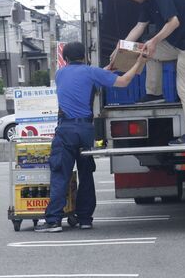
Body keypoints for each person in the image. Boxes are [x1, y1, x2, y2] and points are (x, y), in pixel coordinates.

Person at [34, 41, 147, 233]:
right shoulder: (92, 72)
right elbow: (123, 81)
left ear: (66, 59)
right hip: (86, 130)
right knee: (86, 174)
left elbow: (84, 77)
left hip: (66, 129)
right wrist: (139, 62)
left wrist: (106, 69)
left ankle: (53, 221)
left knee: (61, 174)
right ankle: (85, 218)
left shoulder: (60, 74)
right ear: (85, 57)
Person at [110, 0, 185, 146]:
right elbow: (139, 26)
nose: (131, 0)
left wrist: (154, 40)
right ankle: (154, 94)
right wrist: (121, 47)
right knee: (148, 52)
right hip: (177, 44)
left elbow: (174, 22)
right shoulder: (147, 2)